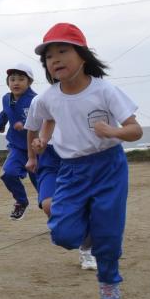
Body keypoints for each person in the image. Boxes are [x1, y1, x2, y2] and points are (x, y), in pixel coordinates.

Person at [26, 23, 141, 299]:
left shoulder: (105, 91)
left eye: (63, 51)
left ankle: (109, 282)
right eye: (49, 56)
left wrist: (113, 131)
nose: (55, 60)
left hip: (108, 166)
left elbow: (135, 130)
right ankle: (87, 236)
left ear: (83, 55)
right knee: (64, 234)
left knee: (109, 232)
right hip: (72, 169)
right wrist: (37, 146)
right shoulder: (47, 98)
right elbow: (34, 126)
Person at [24, 109, 96, 270]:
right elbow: (32, 129)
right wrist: (31, 157)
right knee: (49, 205)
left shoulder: (88, 95)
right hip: (50, 158)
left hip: (79, 156)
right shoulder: (42, 100)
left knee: (90, 207)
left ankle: (87, 249)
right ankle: (78, 232)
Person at [0, 63, 37, 220]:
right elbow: (7, 112)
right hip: (17, 148)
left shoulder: (35, 100)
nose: (16, 83)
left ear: (29, 82)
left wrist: (25, 126)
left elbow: (46, 122)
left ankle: (56, 212)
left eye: (21, 79)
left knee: (42, 187)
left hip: (38, 149)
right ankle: (21, 201)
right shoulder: (6, 98)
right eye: (12, 79)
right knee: (9, 173)